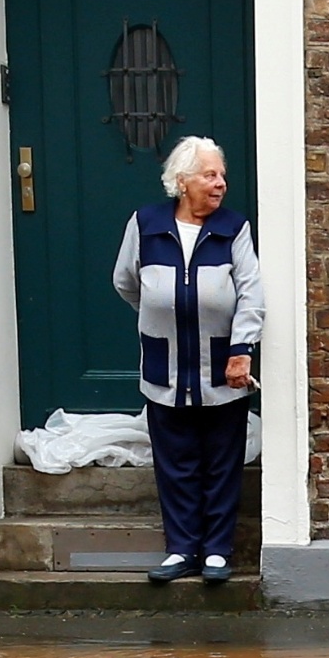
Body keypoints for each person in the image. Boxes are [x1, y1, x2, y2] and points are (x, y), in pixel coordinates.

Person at [110, 136, 262, 587]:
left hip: (222, 365)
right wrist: (163, 315)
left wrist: (241, 350)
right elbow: (126, 282)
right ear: (182, 182)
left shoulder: (234, 229)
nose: (220, 185)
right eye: (209, 175)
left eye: (222, 175)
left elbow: (251, 295)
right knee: (174, 463)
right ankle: (180, 550)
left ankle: (216, 551)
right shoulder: (146, 223)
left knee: (220, 461)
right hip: (166, 367)